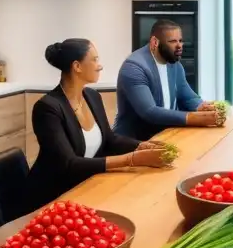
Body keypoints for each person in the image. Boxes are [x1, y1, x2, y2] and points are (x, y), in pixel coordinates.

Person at [26, 39, 166, 208]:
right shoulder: (47, 108)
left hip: (84, 188)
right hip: (52, 199)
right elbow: (69, 164)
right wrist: (132, 159)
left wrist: (142, 146)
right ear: (77, 66)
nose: (99, 66)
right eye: (95, 60)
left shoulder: (92, 96)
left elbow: (110, 139)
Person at [113, 19, 221, 141]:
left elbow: (188, 97)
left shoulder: (174, 65)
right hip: (133, 144)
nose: (179, 45)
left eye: (180, 41)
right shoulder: (134, 68)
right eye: (173, 41)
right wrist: (195, 118)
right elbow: (149, 112)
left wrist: (201, 107)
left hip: (166, 137)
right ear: (155, 42)